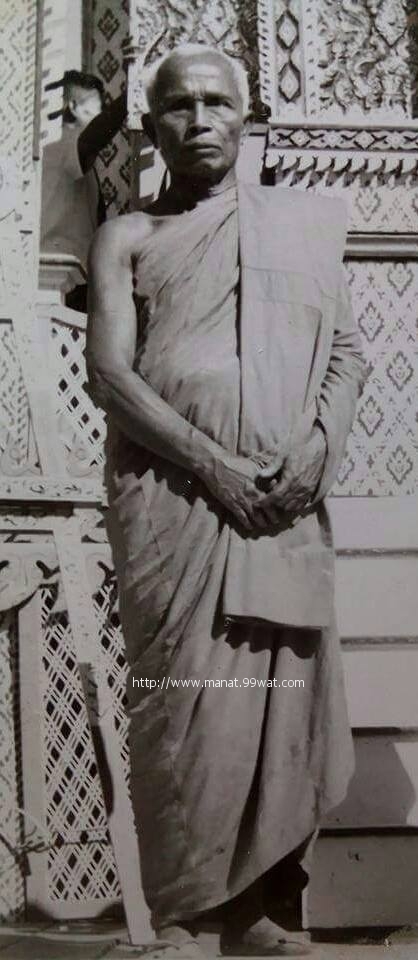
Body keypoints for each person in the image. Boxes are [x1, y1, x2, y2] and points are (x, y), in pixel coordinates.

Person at [86, 44, 367, 958]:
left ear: (248, 120)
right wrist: (213, 465)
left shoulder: (302, 226)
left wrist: (316, 450)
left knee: (281, 695)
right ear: (151, 127)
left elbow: (346, 355)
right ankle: (187, 912)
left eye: (217, 102)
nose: (200, 119)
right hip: (174, 499)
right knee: (185, 704)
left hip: (281, 500)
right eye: (179, 105)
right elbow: (110, 376)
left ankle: (262, 910)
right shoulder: (129, 235)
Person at [40, 69, 127, 311]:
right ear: (74, 107)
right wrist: (135, 92)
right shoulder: (61, 144)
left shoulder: (67, 153)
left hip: (69, 279)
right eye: (99, 108)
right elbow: (98, 133)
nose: (102, 114)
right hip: (61, 281)